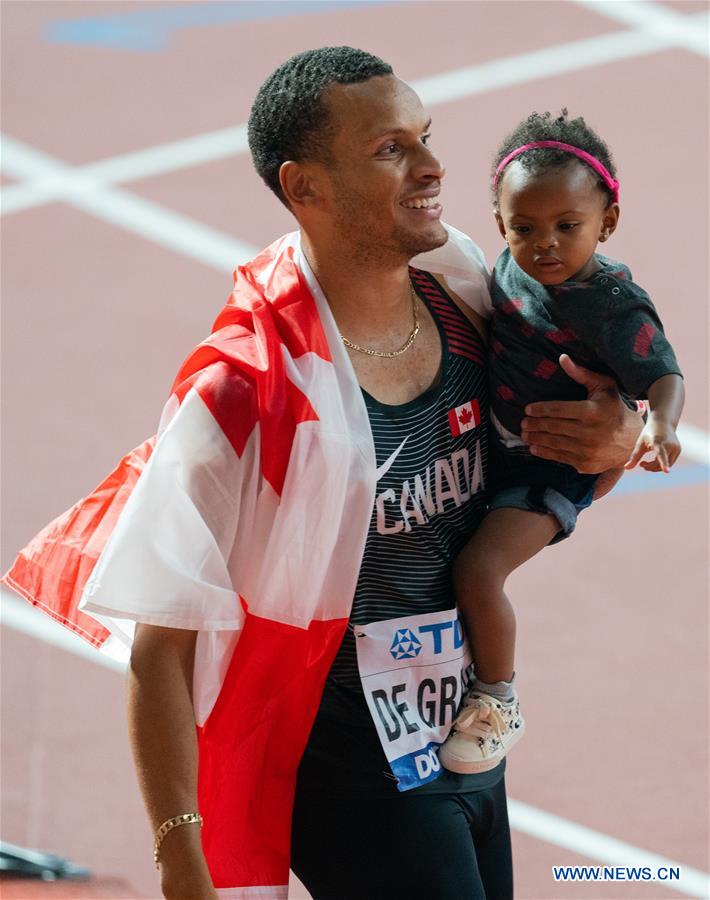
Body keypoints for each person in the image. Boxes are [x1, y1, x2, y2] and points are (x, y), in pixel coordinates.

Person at [2, 51, 645, 900]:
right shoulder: (243, 392)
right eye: (390, 149)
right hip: (342, 757)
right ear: (306, 188)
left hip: (459, 731)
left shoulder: (470, 296)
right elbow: (161, 648)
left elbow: (564, 452)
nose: (431, 166)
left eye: (425, 136)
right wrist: (181, 857)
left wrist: (619, 436)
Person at [438, 111, 684, 777]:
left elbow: (663, 374)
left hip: (551, 465)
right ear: (500, 224)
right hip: (493, 447)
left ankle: (497, 699)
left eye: (566, 227)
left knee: (478, 571)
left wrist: (658, 426)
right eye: (524, 227)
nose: (544, 243)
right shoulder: (504, 271)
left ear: (606, 223)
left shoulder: (608, 303)